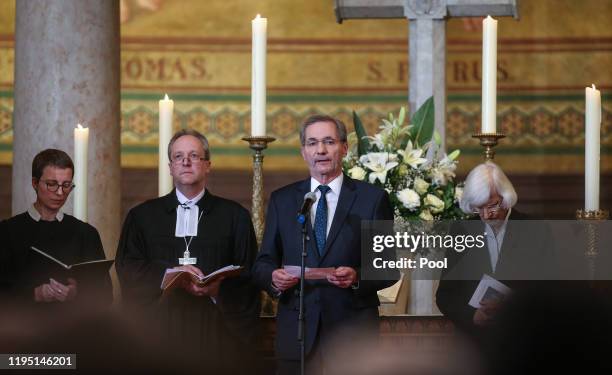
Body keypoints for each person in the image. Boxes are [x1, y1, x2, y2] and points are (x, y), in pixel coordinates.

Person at [252, 115, 396, 375]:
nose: (320, 150)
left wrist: (356, 278)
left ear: (344, 148)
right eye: (312, 143)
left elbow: (387, 267)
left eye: (329, 142)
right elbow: (263, 262)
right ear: (303, 152)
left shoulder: (372, 199)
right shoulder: (283, 200)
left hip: (351, 335)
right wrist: (273, 277)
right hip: (298, 332)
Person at [115, 129, 260, 372]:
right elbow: (127, 268)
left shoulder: (235, 216)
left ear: (208, 165)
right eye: (178, 156)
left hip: (215, 332)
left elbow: (250, 274)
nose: (185, 161)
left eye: (194, 155)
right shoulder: (142, 216)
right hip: (158, 332)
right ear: (170, 166)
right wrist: (170, 274)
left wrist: (217, 289)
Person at [436, 161, 554, 337]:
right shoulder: (461, 230)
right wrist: (471, 316)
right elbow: (445, 295)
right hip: (475, 341)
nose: (485, 214)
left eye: (492, 205)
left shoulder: (535, 229)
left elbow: (551, 288)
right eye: (479, 207)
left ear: (506, 197)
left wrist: (511, 307)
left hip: (522, 337)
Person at [0, 149, 111, 310]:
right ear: (35, 183)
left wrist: (76, 294)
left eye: (66, 185)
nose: (60, 193)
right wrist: (35, 294)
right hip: (21, 330)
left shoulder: (86, 234)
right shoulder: (6, 232)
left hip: (73, 331)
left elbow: (106, 295)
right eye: (52, 184)